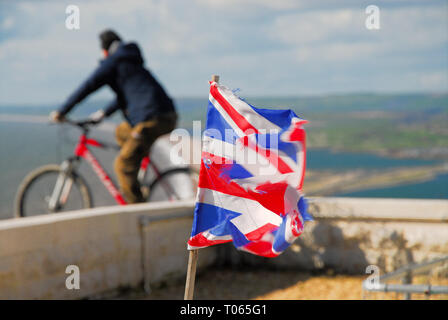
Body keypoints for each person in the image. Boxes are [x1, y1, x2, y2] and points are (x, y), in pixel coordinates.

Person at [50, 29, 177, 203]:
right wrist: (102, 114)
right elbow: (126, 96)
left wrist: (62, 111)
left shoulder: (114, 62)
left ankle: (137, 212)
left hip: (152, 119)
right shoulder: (129, 61)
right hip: (160, 115)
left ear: (104, 50)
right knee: (121, 132)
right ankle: (136, 174)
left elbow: (88, 86)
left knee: (122, 165)